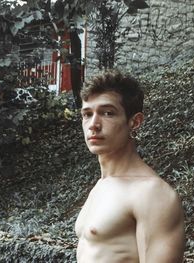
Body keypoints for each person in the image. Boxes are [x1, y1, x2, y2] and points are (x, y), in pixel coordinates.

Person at [75, 70, 185, 263]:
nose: (93, 124)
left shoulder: (151, 193)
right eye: (87, 114)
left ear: (135, 122)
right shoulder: (102, 185)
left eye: (107, 113)